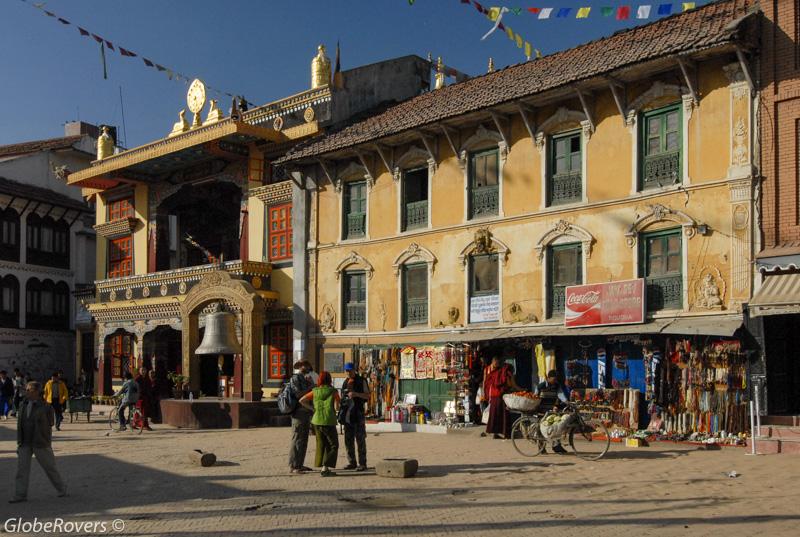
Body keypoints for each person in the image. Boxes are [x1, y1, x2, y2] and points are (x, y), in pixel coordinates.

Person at [10, 381, 67, 503]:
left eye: (29, 390)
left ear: (36, 391)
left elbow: (51, 423)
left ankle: (62, 488)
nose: (26, 392)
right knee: (22, 470)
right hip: (25, 441)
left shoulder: (46, 407)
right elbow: (20, 424)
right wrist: (19, 442)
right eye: (26, 389)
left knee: (50, 467)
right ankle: (20, 495)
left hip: (40, 441)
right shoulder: (22, 405)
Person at [299, 371, 340, 477]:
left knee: (321, 444)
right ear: (330, 379)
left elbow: (302, 400)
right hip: (328, 420)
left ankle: (322, 466)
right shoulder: (333, 391)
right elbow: (337, 407)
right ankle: (325, 467)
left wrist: (313, 408)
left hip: (316, 420)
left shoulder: (315, 391)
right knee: (333, 445)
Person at [482, 357, 522, 439]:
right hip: (500, 396)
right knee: (503, 415)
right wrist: (521, 390)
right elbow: (512, 384)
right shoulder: (506, 372)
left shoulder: (496, 372)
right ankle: (505, 434)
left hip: (494, 396)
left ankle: (496, 433)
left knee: (495, 415)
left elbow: (486, 383)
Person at [340, 362, 369, 471]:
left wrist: (356, 394)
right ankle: (351, 462)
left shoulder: (362, 381)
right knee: (348, 440)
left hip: (358, 413)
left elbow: (367, 395)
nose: (348, 372)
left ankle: (362, 463)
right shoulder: (345, 382)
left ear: (354, 370)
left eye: (350, 370)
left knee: (360, 439)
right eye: (346, 370)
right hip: (348, 414)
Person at [288, 360, 315, 474]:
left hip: (306, 412)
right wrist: (311, 387)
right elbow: (298, 394)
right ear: (300, 367)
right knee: (297, 438)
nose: (307, 368)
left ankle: (300, 464)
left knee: (304, 439)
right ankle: (294, 465)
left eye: (308, 365)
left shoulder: (306, 379)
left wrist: (311, 384)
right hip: (298, 413)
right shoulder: (295, 379)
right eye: (305, 365)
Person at [537, 370, 569, 454]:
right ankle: (541, 448)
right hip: (542, 410)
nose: (554, 381)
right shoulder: (541, 386)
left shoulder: (557, 386)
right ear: (548, 378)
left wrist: (567, 402)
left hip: (552, 410)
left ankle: (557, 447)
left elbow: (561, 395)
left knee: (557, 428)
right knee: (541, 429)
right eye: (553, 379)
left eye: (556, 379)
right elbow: (535, 397)